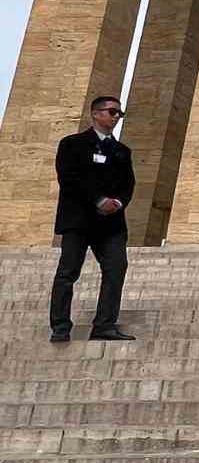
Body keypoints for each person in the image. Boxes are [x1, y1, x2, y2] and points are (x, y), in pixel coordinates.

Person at [48, 95, 136, 343]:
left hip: (111, 224)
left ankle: (104, 325)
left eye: (119, 113)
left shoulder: (121, 151)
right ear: (96, 114)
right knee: (68, 272)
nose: (116, 117)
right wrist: (98, 200)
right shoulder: (72, 144)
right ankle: (60, 326)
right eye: (111, 112)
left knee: (116, 269)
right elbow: (69, 178)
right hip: (79, 220)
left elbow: (128, 184)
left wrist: (117, 202)